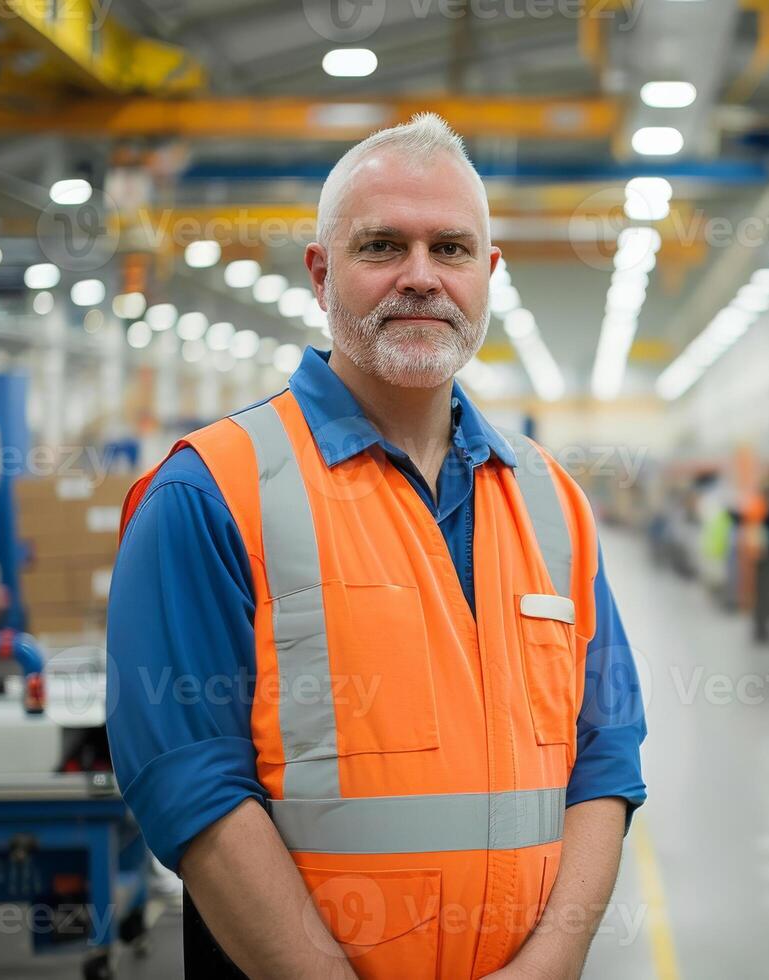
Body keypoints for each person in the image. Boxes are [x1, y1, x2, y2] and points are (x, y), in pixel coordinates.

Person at [106, 113, 647, 979]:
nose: (421, 278)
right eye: (383, 246)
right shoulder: (208, 492)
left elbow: (606, 756)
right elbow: (190, 785)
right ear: (321, 272)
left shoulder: (552, 503)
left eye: (452, 250)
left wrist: (553, 960)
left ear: (489, 275)